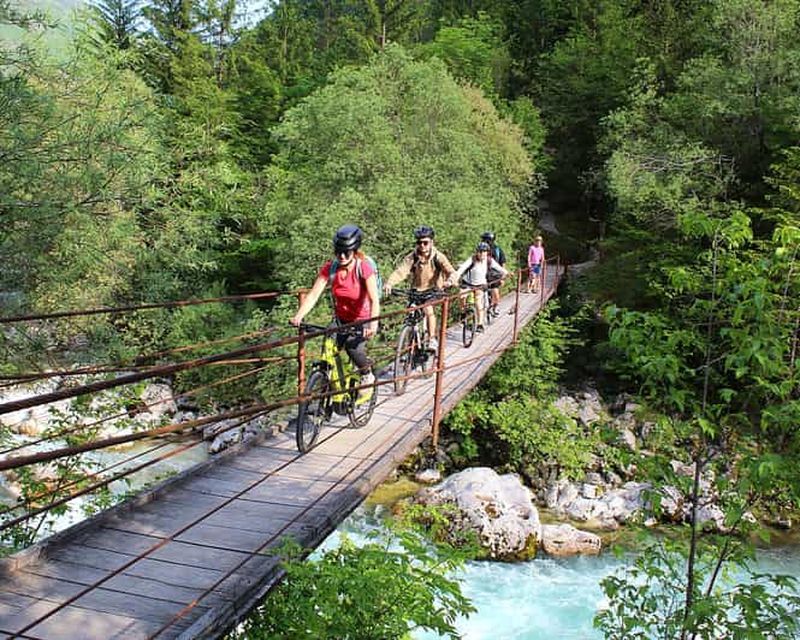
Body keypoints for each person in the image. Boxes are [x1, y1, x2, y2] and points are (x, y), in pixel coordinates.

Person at [290, 224, 380, 398]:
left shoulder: (363, 268)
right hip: (341, 318)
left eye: (347, 252)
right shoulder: (331, 268)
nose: (342, 256)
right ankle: (328, 389)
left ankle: (367, 374)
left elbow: (374, 299)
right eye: (338, 252)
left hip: (362, 319)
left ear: (355, 251)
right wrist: (299, 315)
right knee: (328, 344)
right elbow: (314, 294)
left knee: (352, 348)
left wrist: (373, 324)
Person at [383, 226, 455, 351]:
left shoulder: (438, 257)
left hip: (432, 290)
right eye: (419, 243)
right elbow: (401, 271)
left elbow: (451, 271)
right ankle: (409, 346)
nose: (422, 246)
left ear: (431, 242)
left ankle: (432, 339)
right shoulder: (413, 256)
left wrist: (449, 281)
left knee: (428, 310)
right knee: (410, 313)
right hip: (416, 290)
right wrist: (389, 283)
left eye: (425, 242)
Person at [447, 241, 509, 332]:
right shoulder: (472, 259)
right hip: (468, 283)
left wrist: (507, 273)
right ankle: (463, 312)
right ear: (477, 252)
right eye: (480, 251)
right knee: (461, 295)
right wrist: (453, 278)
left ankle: (480, 324)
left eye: (484, 251)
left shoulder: (489, 260)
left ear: (487, 252)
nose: (482, 254)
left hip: (480, 284)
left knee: (478, 302)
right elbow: (462, 269)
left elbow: (499, 268)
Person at [481, 231, 507, 316]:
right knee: (494, 290)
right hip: (491, 274)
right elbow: (503, 263)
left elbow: (502, 263)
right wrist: (503, 276)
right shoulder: (498, 249)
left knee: (493, 289)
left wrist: (503, 276)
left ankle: (494, 306)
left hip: (490, 274)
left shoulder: (484, 249)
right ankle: (495, 307)